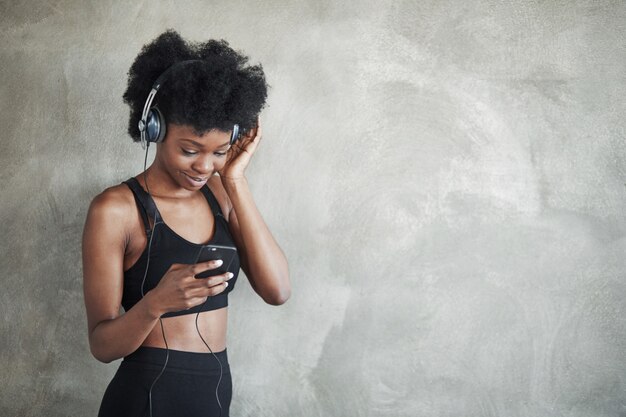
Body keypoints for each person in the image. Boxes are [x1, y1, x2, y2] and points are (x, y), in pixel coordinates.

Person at [82, 30, 290, 417]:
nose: (203, 166)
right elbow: (102, 346)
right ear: (154, 130)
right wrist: (157, 303)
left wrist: (235, 179)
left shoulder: (221, 192)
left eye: (219, 152)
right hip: (147, 397)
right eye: (190, 150)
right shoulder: (116, 209)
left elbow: (277, 290)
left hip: (214, 392)